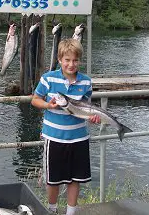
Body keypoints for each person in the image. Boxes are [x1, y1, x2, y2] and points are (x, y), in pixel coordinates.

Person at [31, 38, 101, 215]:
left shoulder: (86, 82)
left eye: (75, 60)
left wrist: (93, 118)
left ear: (80, 61)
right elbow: (35, 100)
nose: (71, 64)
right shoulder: (48, 78)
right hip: (54, 138)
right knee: (53, 179)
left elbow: (87, 107)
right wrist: (48, 105)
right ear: (60, 60)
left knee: (75, 179)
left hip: (79, 137)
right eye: (67, 60)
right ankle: (52, 210)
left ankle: (71, 212)